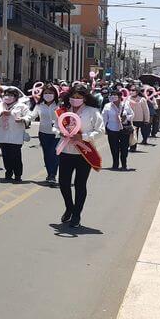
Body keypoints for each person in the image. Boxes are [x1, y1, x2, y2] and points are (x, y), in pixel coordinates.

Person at [58, 85, 104, 228]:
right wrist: (59, 132)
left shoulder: (92, 112)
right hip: (66, 151)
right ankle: (69, 207)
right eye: (73, 97)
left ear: (85, 98)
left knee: (80, 184)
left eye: (78, 97)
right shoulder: (63, 111)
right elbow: (55, 126)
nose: (75, 100)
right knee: (63, 183)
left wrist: (83, 136)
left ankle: (77, 214)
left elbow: (101, 131)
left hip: (84, 152)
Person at [0, 87, 31, 182]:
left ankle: (18, 174)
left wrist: (22, 119)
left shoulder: (21, 106)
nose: (8, 97)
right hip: (3, 135)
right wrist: (1, 113)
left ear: (16, 97)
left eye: (11, 95)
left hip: (16, 135)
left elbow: (29, 116)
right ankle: (8, 171)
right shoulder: (0, 105)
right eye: (6, 95)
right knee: (6, 155)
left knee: (16, 156)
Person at [31, 84, 61, 185]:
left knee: (54, 154)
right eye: (46, 93)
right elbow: (32, 115)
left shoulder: (60, 105)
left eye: (50, 93)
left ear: (55, 94)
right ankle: (49, 174)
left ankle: (53, 175)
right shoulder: (39, 105)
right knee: (47, 155)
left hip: (57, 134)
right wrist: (23, 119)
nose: (48, 95)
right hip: (43, 133)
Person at [102, 90, 134, 171]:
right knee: (114, 148)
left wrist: (126, 117)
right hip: (112, 129)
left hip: (124, 129)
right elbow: (104, 118)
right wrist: (104, 129)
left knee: (124, 148)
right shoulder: (107, 106)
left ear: (120, 97)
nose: (113, 97)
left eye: (115, 95)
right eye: (111, 95)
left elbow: (132, 114)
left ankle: (124, 164)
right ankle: (115, 163)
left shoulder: (126, 105)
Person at [128, 86, 151, 152]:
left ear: (137, 92)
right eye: (131, 90)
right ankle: (129, 145)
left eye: (133, 90)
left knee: (135, 133)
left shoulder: (142, 99)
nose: (131, 91)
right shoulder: (128, 98)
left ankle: (133, 147)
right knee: (129, 133)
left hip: (138, 119)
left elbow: (146, 110)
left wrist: (146, 120)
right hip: (129, 119)